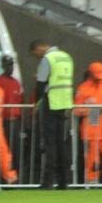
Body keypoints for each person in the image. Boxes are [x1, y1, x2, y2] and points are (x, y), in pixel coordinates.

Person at [30, 39, 74, 190]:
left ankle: (48, 181)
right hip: (64, 102)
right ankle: (63, 180)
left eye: (35, 53)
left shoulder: (47, 59)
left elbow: (41, 84)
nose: (37, 57)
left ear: (39, 48)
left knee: (50, 144)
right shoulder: (66, 57)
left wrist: (36, 103)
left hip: (51, 102)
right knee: (61, 143)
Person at [74, 61, 102, 183]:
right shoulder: (83, 88)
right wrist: (95, 110)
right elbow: (77, 110)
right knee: (93, 161)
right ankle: (91, 182)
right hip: (90, 132)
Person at [0, 55, 26, 174]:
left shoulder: (16, 83)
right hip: (2, 122)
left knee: (15, 150)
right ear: (2, 66)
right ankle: (1, 176)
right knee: (2, 150)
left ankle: (14, 176)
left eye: (11, 65)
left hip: (15, 122)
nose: (10, 67)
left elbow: (20, 101)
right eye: (8, 65)